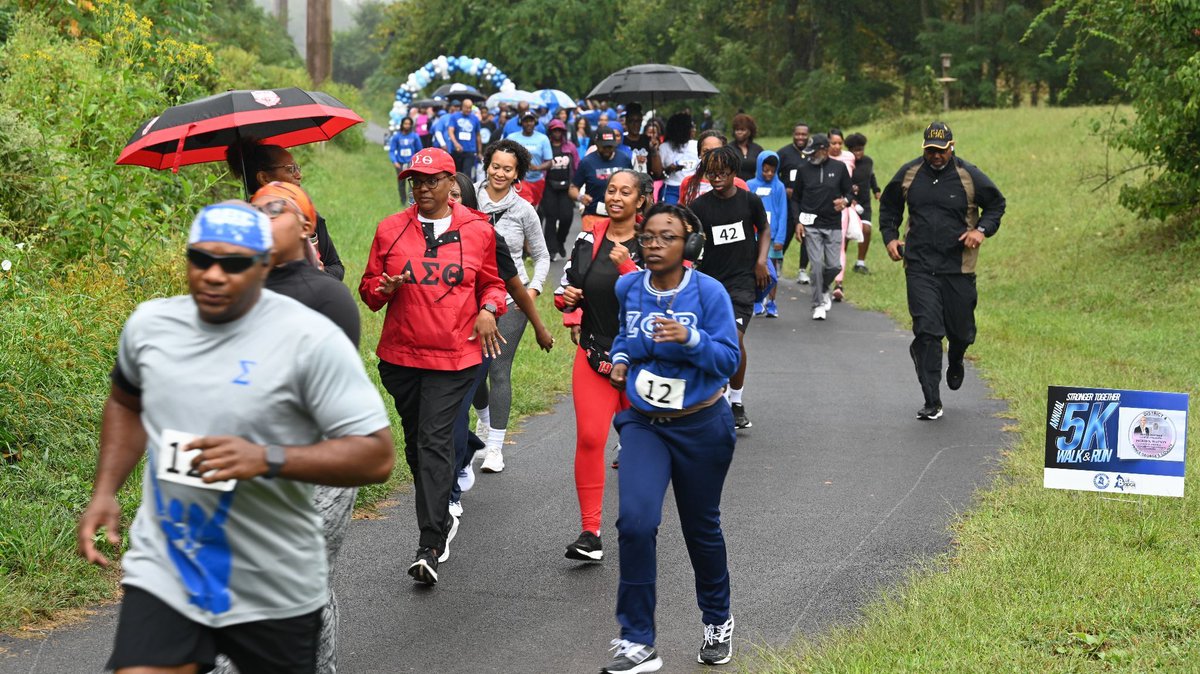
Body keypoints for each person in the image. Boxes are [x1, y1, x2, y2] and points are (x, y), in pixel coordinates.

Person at [78, 201, 394, 674]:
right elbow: (126, 403)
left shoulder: (309, 339)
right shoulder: (151, 326)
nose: (213, 275)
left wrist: (265, 458)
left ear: (264, 265)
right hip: (170, 562)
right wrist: (105, 490)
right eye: (201, 259)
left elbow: (376, 455)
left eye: (233, 264)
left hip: (274, 579)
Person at [601, 203, 740, 673]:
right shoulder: (628, 287)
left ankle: (718, 619)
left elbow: (727, 361)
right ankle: (638, 641)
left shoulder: (710, 293)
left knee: (701, 529)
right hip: (645, 424)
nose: (654, 244)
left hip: (702, 424)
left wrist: (690, 339)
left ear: (690, 246)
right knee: (636, 522)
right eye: (647, 237)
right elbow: (624, 336)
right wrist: (621, 360)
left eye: (667, 237)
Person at [358, 147, 507, 585]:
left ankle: (430, 543)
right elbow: (368, 293)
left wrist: (489, 309)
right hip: (402, 358)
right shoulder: (390, 229)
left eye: (430, 181)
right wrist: (384, 288)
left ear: (451, 184)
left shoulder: (477, 229)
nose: (421, 188)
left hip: (455, 357)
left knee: (434, 440)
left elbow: (493, 284)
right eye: (415, 182)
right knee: (417, 444)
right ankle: (441, 508)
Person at [553, 169, 651, 563]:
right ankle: (590, 533)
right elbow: (566, 291)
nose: (616, 197)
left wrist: (629, 266)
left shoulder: (654, 242)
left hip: (644, 362)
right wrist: (569, 304)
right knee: (591, 440)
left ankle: (640, 526)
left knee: (643, 448)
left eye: (626, 192)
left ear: (640, 201)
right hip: (595, 355)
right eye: (611, 190)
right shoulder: (587, 238)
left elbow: (666, 298)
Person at [878, 121, 1006, 420]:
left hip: (957, 268)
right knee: (927, 332)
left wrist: (982, 230)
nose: (936, 156)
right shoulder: (910, 173)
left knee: (961, 332)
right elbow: (889, 206)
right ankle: (932, 400)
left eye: (941, 150)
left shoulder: (969, 175)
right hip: (919, 265)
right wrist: (890, 237)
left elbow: (997, 205)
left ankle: (958, 357)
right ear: (924, 148)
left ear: (952, 147)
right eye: (930, 151)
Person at [447, 173, 554, 518]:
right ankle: (470, 444)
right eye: (444, 193)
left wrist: (538, 325)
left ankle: (489, 449)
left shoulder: (488, 234)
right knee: (464, 396)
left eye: (456, 195)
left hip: (494, 315)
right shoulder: (425, 235)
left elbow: (512, 282)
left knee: (493, 372)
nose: (450, 200)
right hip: (447, 329)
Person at [472, 139, 552, 474]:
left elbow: (543, 257)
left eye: (508, 169)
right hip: (469, 300)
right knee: (472, 373)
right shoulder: (466, 195)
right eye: (495, 166)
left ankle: (494, 447)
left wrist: (532, 291)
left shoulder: (524, 211)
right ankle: (485, 419)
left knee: (498, 369)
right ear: (486, 163)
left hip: (510, 301)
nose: (500, 173)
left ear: (517, 173)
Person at [688, 146, 771, 431]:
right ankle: (713, 397)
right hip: (709, 284)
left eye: (722, 173)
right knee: (709, 341)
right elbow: (689, 239)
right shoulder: (699, 207)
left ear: (734, 173)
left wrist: (761, 261)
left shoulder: (749, 201)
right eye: (712, 174)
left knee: (733, 339)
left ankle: (736, 401)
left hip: (742, 282)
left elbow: (765, 229)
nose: (716, 178)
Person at [226, 139, 344, 280]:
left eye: (297, 168)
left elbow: (336, 267)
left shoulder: (310, 217)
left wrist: (318, 273)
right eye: (290, 169)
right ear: (264, 178)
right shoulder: (242, 225)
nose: (299, 175)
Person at [791, 134, 852, 321]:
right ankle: (817, 304)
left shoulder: (839, 168)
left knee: (834, 265)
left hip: (833, 223)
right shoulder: (803, 169)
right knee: (816, 265)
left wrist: (845, 201)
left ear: (824, 150)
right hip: (811, 225)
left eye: (813, 152)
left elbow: (849, 192)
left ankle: (824, 287)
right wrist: (798, 222)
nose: (810, 156)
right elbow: (796, 199)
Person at [747, 152, 789, 318]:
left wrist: (780, 238)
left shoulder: (779, 187)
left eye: (772, 171)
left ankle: (772, 302)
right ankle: (757, 299)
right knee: (756, 268)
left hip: (772, 236)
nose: (769, 174)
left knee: (771, 272)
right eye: (765, 170)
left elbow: (783, 212)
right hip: (755, 235)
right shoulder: (750, 185)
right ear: (759, 168)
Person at [570, 126, 634, 233]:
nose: (607, 150)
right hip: (594, 216)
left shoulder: (624, 159)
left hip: (619, 215)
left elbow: (633, 184)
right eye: (604, 147)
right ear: (596, 144)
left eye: (610, 146)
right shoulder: (587, 162)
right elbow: (572, 188)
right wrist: (580, 197)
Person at [776, 122, 811, 284]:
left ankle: (803, 270)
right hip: (789, 202)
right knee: (787, 231)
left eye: (804, 134)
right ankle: (778, 261)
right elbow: (771, 173)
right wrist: (783, 189)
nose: (800, 137)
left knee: (807, 235)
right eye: (798, 134)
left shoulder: (813, 153)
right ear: (793, 134)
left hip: (808, 201)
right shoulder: (783, 153)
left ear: (808, 135)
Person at [825, 128, 857, 301]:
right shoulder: (823, 159)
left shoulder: (849, 157)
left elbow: (850, 182)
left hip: (842, 207)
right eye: (833, 143)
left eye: (839, 143)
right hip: (823, 207)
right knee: (824, 244)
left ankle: (838, 283)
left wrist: (849, 198)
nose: (836, 146)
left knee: (840, 243)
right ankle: (823, 275)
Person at [679, 130, 749, 207]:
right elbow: (682, 212)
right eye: (706, 151)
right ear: (699, 154)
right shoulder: (688, 182)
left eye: (716, 151)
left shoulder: (738, 184)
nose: (711, 156)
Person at [543, 118, 581, 259]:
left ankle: (560, 241)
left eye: (560, 130)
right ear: (550, 132)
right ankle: (551, 250)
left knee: (567, 217)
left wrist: (577, 183)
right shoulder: (546, 146)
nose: (557, 133)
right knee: (551, 218)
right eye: (554, 130)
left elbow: (577, 165)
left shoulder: (570, 147)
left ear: (564, 132)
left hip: (566, 187)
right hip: (549, 186)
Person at [845, 132, 880, 275]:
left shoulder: (868, 161)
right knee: (845, 234)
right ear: (849, 150)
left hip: (864, 202)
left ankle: (860, 263)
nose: (858, 153)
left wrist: (876, 191)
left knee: (866, 230)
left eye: (860, 149)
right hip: (848, 203)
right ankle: (837, 262)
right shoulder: (845, 162)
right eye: (855, 150)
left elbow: (871, 177)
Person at [507, 111, 553, 207]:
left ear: (535, 122)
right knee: (525, 205)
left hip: (537, 180)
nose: (528, 123)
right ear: (521, 122)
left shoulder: (543, 139)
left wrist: (537, 168)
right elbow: (505, 157)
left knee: (534, 207)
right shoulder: (512, 138)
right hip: (519, 180)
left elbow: (549, 162)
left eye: (531, 121)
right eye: (526, 121)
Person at [658, 112, 698, 204]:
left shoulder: (696, 145)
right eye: (691, 127)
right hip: (671, 188)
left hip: (692, 188)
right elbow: (658, 175)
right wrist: (668, 169)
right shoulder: (664, 148)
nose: (694, 130)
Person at [622, 102, 664, 179]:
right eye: (632, 121)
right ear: (626, 122)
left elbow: (658, 172)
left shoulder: (648, 141)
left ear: (641, 121)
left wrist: (654, 151)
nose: (635, 124)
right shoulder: (622, 141)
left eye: (638, 121)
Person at [388, 117, 423, 207]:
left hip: (411, 164)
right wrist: (394, 161)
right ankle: (402, 201)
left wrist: (417, 162)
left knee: (412, 183)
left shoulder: (415, 136)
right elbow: (392, 150)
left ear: (411, 125)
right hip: (400, 164)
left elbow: (419, 150)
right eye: (405, 123)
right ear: (402, 124)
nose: (407, 125)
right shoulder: (397, 137)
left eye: (409, 124)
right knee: (401, 183)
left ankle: (411, 202)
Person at [446, 97, 483, 176]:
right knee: (456, 173)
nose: (468, 110)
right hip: (457, 150)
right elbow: (450, 131)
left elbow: (478, 135)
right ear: (462, 107)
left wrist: (479, 151)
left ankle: (466, 188)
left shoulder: (475, 118)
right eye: (466, 107)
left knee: (467, 173)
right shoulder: (454, 117)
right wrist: (455, 143)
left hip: (470, 150)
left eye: (470, 107)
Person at [730, 113, 763, 182]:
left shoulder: (757, 149)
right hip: (734, 187)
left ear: (750, 131)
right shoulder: (729, 149)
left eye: (742, 130)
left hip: (752, 188)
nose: (739, 132)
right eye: (737, 130)